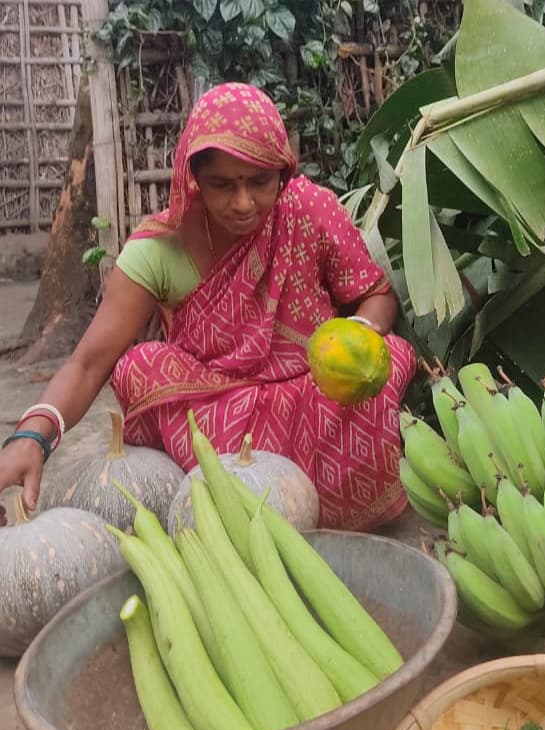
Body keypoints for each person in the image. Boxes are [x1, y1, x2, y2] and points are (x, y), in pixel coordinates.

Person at [0, 82, 417, 531]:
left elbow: (376, 292)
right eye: (222, 185)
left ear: (282, 170)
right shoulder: (162, 246)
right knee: (139, 365)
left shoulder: (308, 209)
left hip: (311, 393)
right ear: (193, 177)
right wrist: (31, 437)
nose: (243, 204)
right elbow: (87, 365)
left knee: (387, 356)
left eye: (259, 182)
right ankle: (237, 488)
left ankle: (283, 499)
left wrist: (358, 332)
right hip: (216, 407)